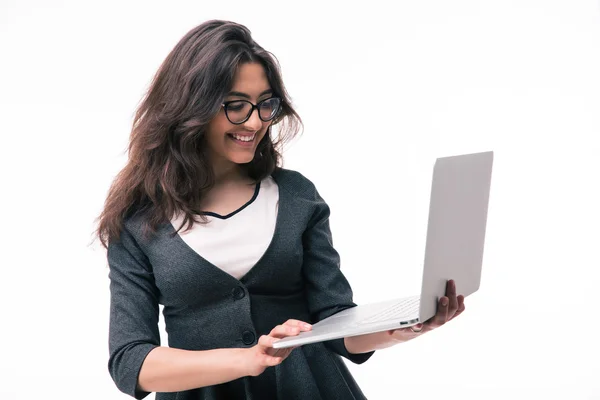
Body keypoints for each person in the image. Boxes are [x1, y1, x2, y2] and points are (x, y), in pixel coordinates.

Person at [95, 20, 465, 400]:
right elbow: (130, 363)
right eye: (236, 105)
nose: (255, 122)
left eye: (265, 104)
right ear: (191, 108)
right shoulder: (138, 220)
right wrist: (247, 359)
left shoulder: (296, 196)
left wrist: (403, 327)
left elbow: (335, 321)